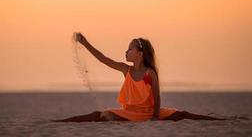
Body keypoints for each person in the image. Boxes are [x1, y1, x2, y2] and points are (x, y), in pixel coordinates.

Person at [53, 32, 225, 122]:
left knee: (183, 114)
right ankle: (59, 122)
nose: (126, 52)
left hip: (150, 114)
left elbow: (157, 97)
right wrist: (85, 43)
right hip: (130, 113)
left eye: (130, 49)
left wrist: (155, 118)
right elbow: (103, 59)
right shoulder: (125, 70)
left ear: (140, 54)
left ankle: (220, 120)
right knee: (98, 115)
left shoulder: (150, 73)